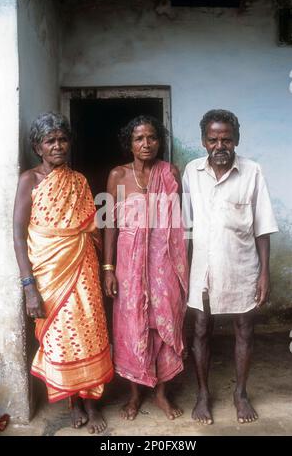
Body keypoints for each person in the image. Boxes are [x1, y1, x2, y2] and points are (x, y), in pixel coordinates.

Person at [13, 112, 113, 434]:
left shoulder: (79, 180)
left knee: (90, 332)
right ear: (38, 147)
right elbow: (19, 233)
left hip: (83, 269)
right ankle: (73, 400)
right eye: (50, 141)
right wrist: (28, 285)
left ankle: (92, 402)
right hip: (48, 275)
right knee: (61, 337)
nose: (58, 146)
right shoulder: (30, 180)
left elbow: (90, 227)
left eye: (62, 139)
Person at [182, 109, 278, 425]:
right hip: (202, 266)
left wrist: (264, 272)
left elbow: (262, 226)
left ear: (236, 140)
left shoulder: (253, 172)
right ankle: (203, 394)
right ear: (203, 141)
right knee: (199, 329)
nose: (220, 145)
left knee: (244, 329)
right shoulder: (191, 172)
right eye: (213, 139)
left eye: (226, 139)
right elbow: (185, 227)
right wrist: (182, 270)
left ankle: (241, 393)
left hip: (242, 265)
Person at [103, 115, 188, 421]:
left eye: (152, 137)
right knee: (131, 325)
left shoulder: (169, 172)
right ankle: (135, 394)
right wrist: (109, 268)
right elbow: (110, 224)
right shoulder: (117, 175)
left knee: (163, 321)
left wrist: (179, 267)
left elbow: (178, 225)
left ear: (159, 141)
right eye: (139, 138)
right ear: (130, 143)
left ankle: (162, 394)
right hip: (128, 264)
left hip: (164, 263)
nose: (146, 144)